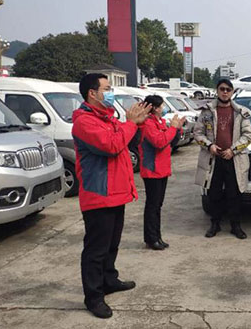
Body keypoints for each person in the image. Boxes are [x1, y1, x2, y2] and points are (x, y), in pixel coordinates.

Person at [72, 73, 151, 319]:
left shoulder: (108, 118)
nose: (111, 92)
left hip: (116, 193)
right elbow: (111, 146)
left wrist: (137, 124)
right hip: (99, 195)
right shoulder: (85, 122)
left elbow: (127, 142)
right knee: (96, 250)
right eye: (106, 88)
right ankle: (93, 297)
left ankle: (109, 279)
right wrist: (130, 123)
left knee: (111, 244)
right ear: (92, 93)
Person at [194, 78, 251, 239]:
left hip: (234, 159)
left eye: (228, 89)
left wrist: (233, 150)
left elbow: (248, 136)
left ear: (232, 92)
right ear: (217, 91)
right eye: (222, 89)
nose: (225, 92)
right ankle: (215, 224)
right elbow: (198, 133)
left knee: (234, 194)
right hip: (213, 159)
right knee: (214, 193)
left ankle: (235, 226)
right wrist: (209, 146)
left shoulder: (241, 112)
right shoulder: (207, 112)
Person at [139, 95, 186, 250]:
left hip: (162, 169)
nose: (163, 108)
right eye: (161, 106)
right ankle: (151, 238)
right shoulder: (147, 124)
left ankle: (157, 236)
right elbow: (159, 142)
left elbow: (171, 141)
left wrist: (177, 128)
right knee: (152, 205)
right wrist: (173, 128)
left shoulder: (160, 122)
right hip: (152, 170)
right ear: (154, 108)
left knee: (158, 205)